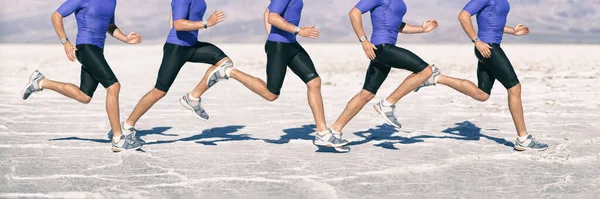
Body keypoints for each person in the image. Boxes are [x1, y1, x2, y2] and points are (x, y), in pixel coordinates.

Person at [123, 0, 347, 148]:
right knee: (159, 90)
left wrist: (272, 38)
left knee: (224, 61)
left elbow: (266, 12)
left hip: (192, 45)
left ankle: (193, 97)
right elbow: (178, 24)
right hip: (176, 49)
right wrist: (205, 23)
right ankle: (128, 126)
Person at [414, 0, 548, 151]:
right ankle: (523, 138)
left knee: (482, 94)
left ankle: (436, 77)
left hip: (488, 48)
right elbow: (463, 15)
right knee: (514, 88)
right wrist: (477, 41)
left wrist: (513, 31)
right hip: (488, 48)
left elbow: (492, 23)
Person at [21, 0, 144, 152]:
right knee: (114, 87)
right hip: (85, 48)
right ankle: (118, 139)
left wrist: (126, 38)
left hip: (96, 51)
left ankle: (42, 82)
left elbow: (110, 26)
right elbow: (56, 16)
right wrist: (65, 42)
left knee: (84, 96)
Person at [329, 0, 438, 137]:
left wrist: (421, 29)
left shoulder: (400, 2)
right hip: (382, 48)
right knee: (426, 71)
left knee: (366, 94)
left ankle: (333, 132)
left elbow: (396, 25)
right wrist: (364, 41)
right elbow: (354, 12)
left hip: (382, 50)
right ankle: (387, 104)